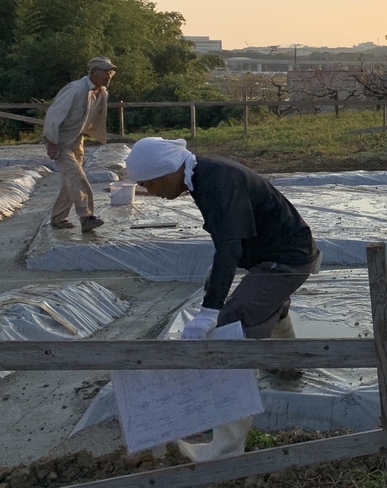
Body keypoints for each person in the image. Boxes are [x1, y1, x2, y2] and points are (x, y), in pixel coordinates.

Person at [123, 136, 322, 462]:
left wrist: (210, 311)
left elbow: (229, 246)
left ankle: (225, 449)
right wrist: (216, 277)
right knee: (267, 305)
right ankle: (290, 365)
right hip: (276, 250)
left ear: (167, 171)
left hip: (287, 260)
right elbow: (230, 236)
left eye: (148, 183)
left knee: (233, 330)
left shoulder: (216, 182)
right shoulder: (203, 175)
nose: (149, 192)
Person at [43, 56, 116, 232]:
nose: (109, 76)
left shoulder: (102, 93)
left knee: (71, 181)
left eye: (111, 72)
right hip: (60, 140)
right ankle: (86, 216)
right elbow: (53, 115)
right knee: (77, 177)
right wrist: (51, 143)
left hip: (77, 140)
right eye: (106, 72)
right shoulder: (75, 90)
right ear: (94, 72)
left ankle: (58, 218)